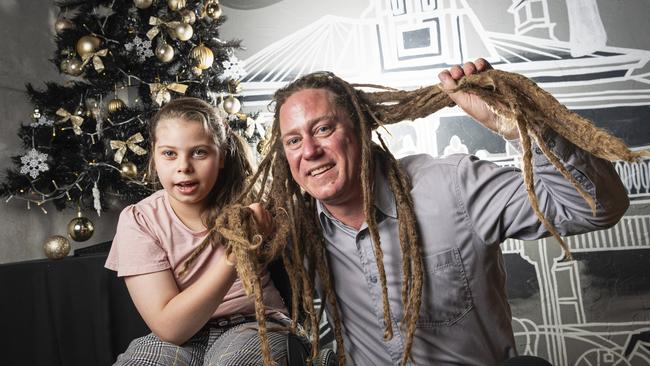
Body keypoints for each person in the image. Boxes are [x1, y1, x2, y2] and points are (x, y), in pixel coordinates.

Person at [245, 58, 629, 365]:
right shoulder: (299, 234)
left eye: (323, 129)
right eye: (293, 140)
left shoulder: (455, 185)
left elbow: (592, 207)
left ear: (361, 128)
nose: (309, 151)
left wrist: (516, 126)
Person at [105, 97, 291, 365]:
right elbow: (170, 329)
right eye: (169, 153)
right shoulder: (140, 220)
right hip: (178, 338)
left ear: (222, 156)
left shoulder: (251, 203)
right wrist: (235, 257)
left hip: (254, 322)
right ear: (154, 156)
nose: (184, 167)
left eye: (199, 152)